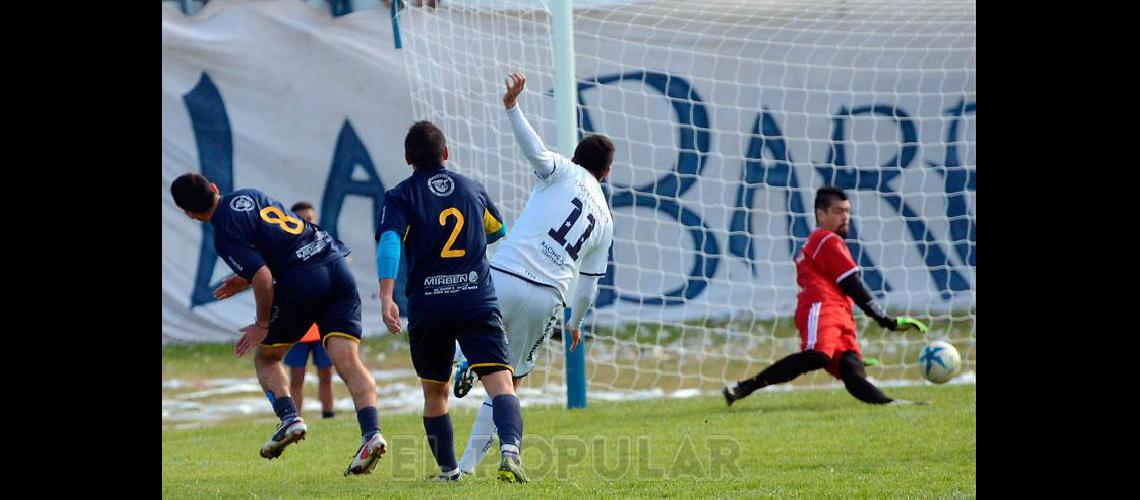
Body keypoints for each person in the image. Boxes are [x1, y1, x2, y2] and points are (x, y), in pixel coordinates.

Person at [170, 174, 387, 476]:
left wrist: (261, 323)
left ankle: (289, 418)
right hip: (336, 263)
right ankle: (372, 434)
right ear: (215, 188)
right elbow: (280, 246)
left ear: (189, 214)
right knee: (349, 362)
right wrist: (245, 279)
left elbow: (262, 277)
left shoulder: (224, 233)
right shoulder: (249, 194)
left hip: (304, 280)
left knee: (267, 357)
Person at [455, 72, 615, 475]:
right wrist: (576, 323)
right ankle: (470, 466)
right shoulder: (606, 219)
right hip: (548, 294)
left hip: (504, 273)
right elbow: (590, 284)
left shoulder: (561, 170)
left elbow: (536, 151)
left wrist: (512, 107)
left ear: (576, 157)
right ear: (608, 172)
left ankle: (465, 357)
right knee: (508, 384)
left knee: (465, 321)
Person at [375, 121, 528, 482]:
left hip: (429, 306)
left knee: (435, 392)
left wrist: (386, 296)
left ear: (408, 158)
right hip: (476, 299)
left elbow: (390, 243)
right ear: (446, 153)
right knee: (500, 382)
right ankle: (509, 450)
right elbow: (498, 230)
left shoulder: (400, 196)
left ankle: (449, 471)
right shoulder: (471, 187)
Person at [722, 187, 929, 407]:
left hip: (841, 312)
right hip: (822, 307)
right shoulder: (825, 239)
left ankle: (890, 404)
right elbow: (853, 285)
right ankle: (745, 386)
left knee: (852, 370)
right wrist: (886, 320)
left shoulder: (822, 242)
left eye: (847, 211)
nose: (845, 217)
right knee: (818, 355)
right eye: (838, 211)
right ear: (821, 215)